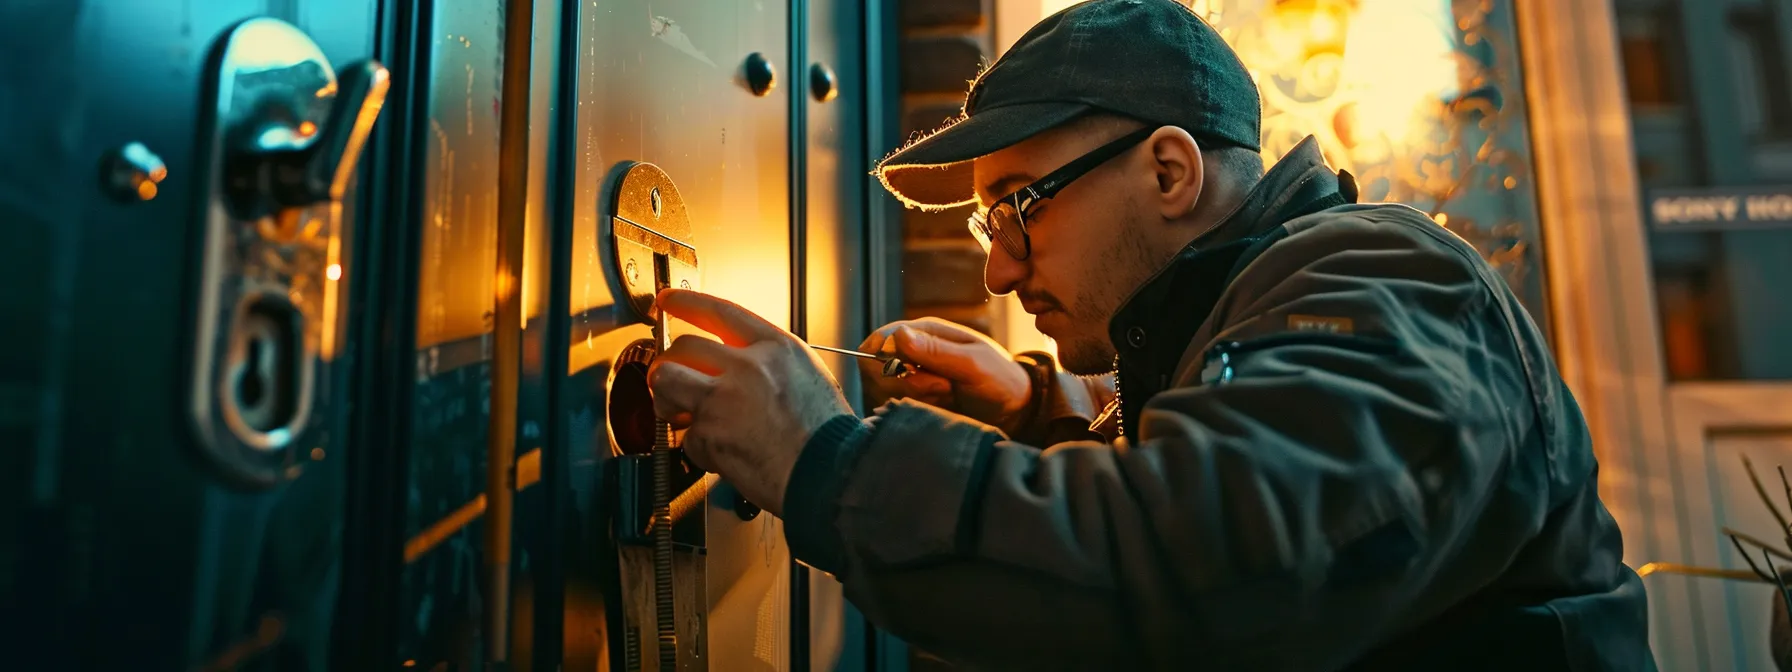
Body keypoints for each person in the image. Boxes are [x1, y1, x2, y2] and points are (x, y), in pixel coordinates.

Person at [644, 0, 1654, 668]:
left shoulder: (1386, 277)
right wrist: (1039, 409)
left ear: (1169, 171)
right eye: (984, 225)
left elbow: (1213, 568)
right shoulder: (1272, 294)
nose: (997, 267)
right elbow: (1245, 441)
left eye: (1017, 208)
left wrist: (825, 462)